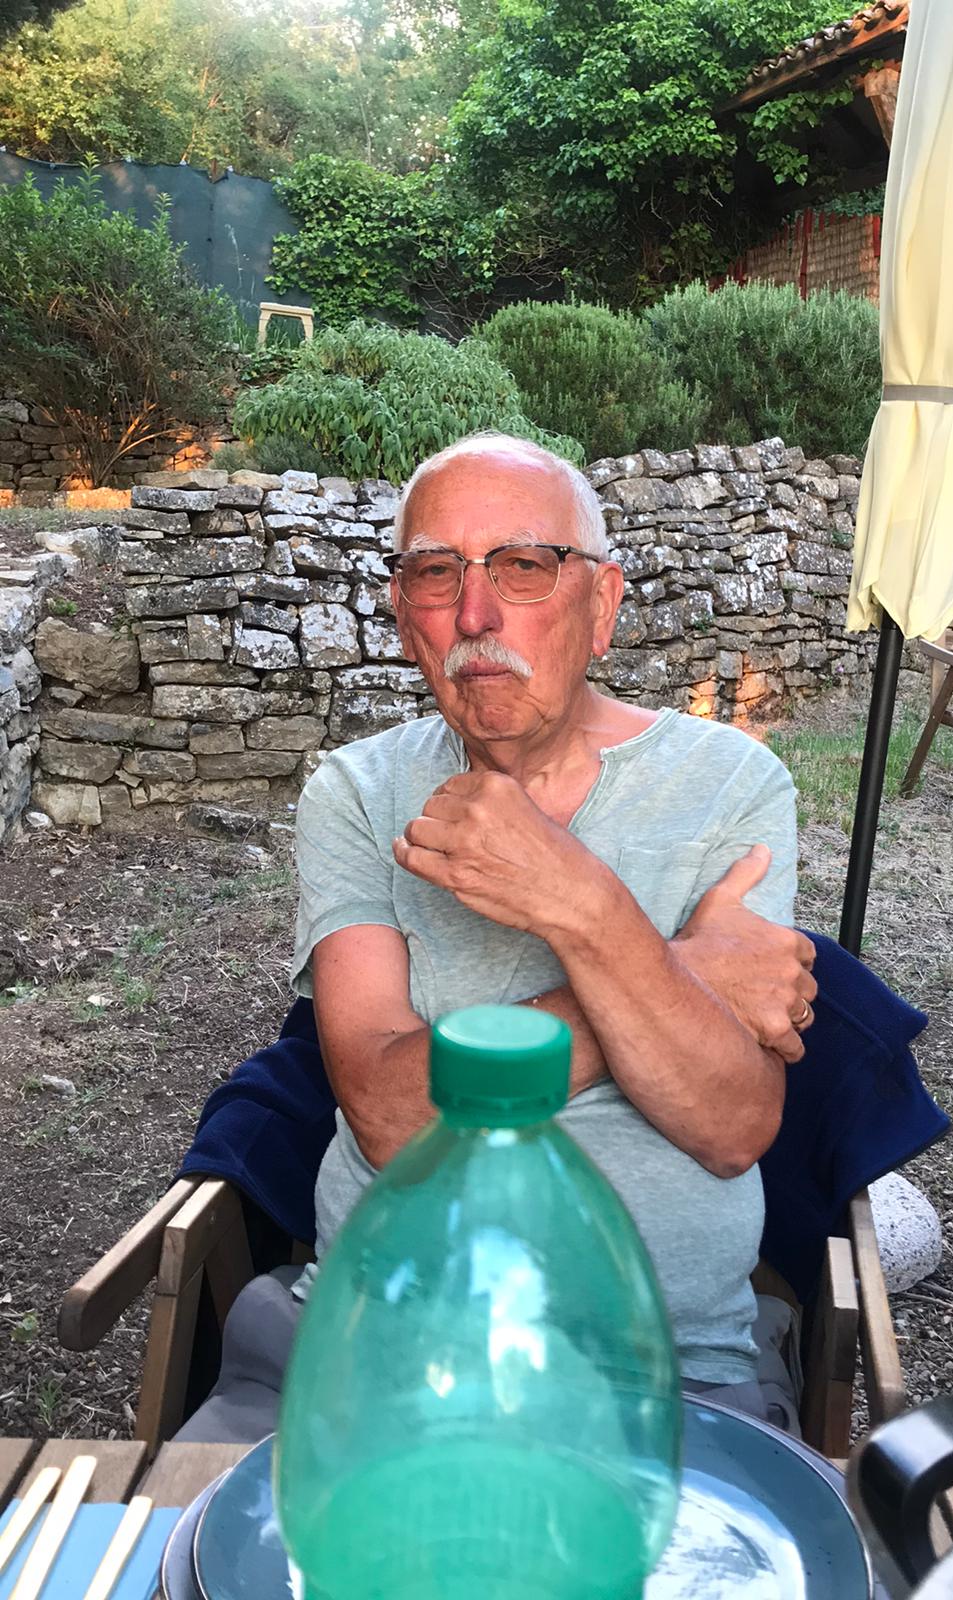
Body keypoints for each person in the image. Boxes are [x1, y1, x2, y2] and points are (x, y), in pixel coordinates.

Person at [178, 431, 819, 1442]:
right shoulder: (359, 793)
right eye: (437, 573)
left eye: (524, 566)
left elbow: (730, 1122)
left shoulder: (733, 785)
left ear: (602, 605)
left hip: (658, 1374)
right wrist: (671, 971)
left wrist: (577, 901)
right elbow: (388, 1116)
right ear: (405, 619)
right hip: (377, 1347)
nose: (476, 615)